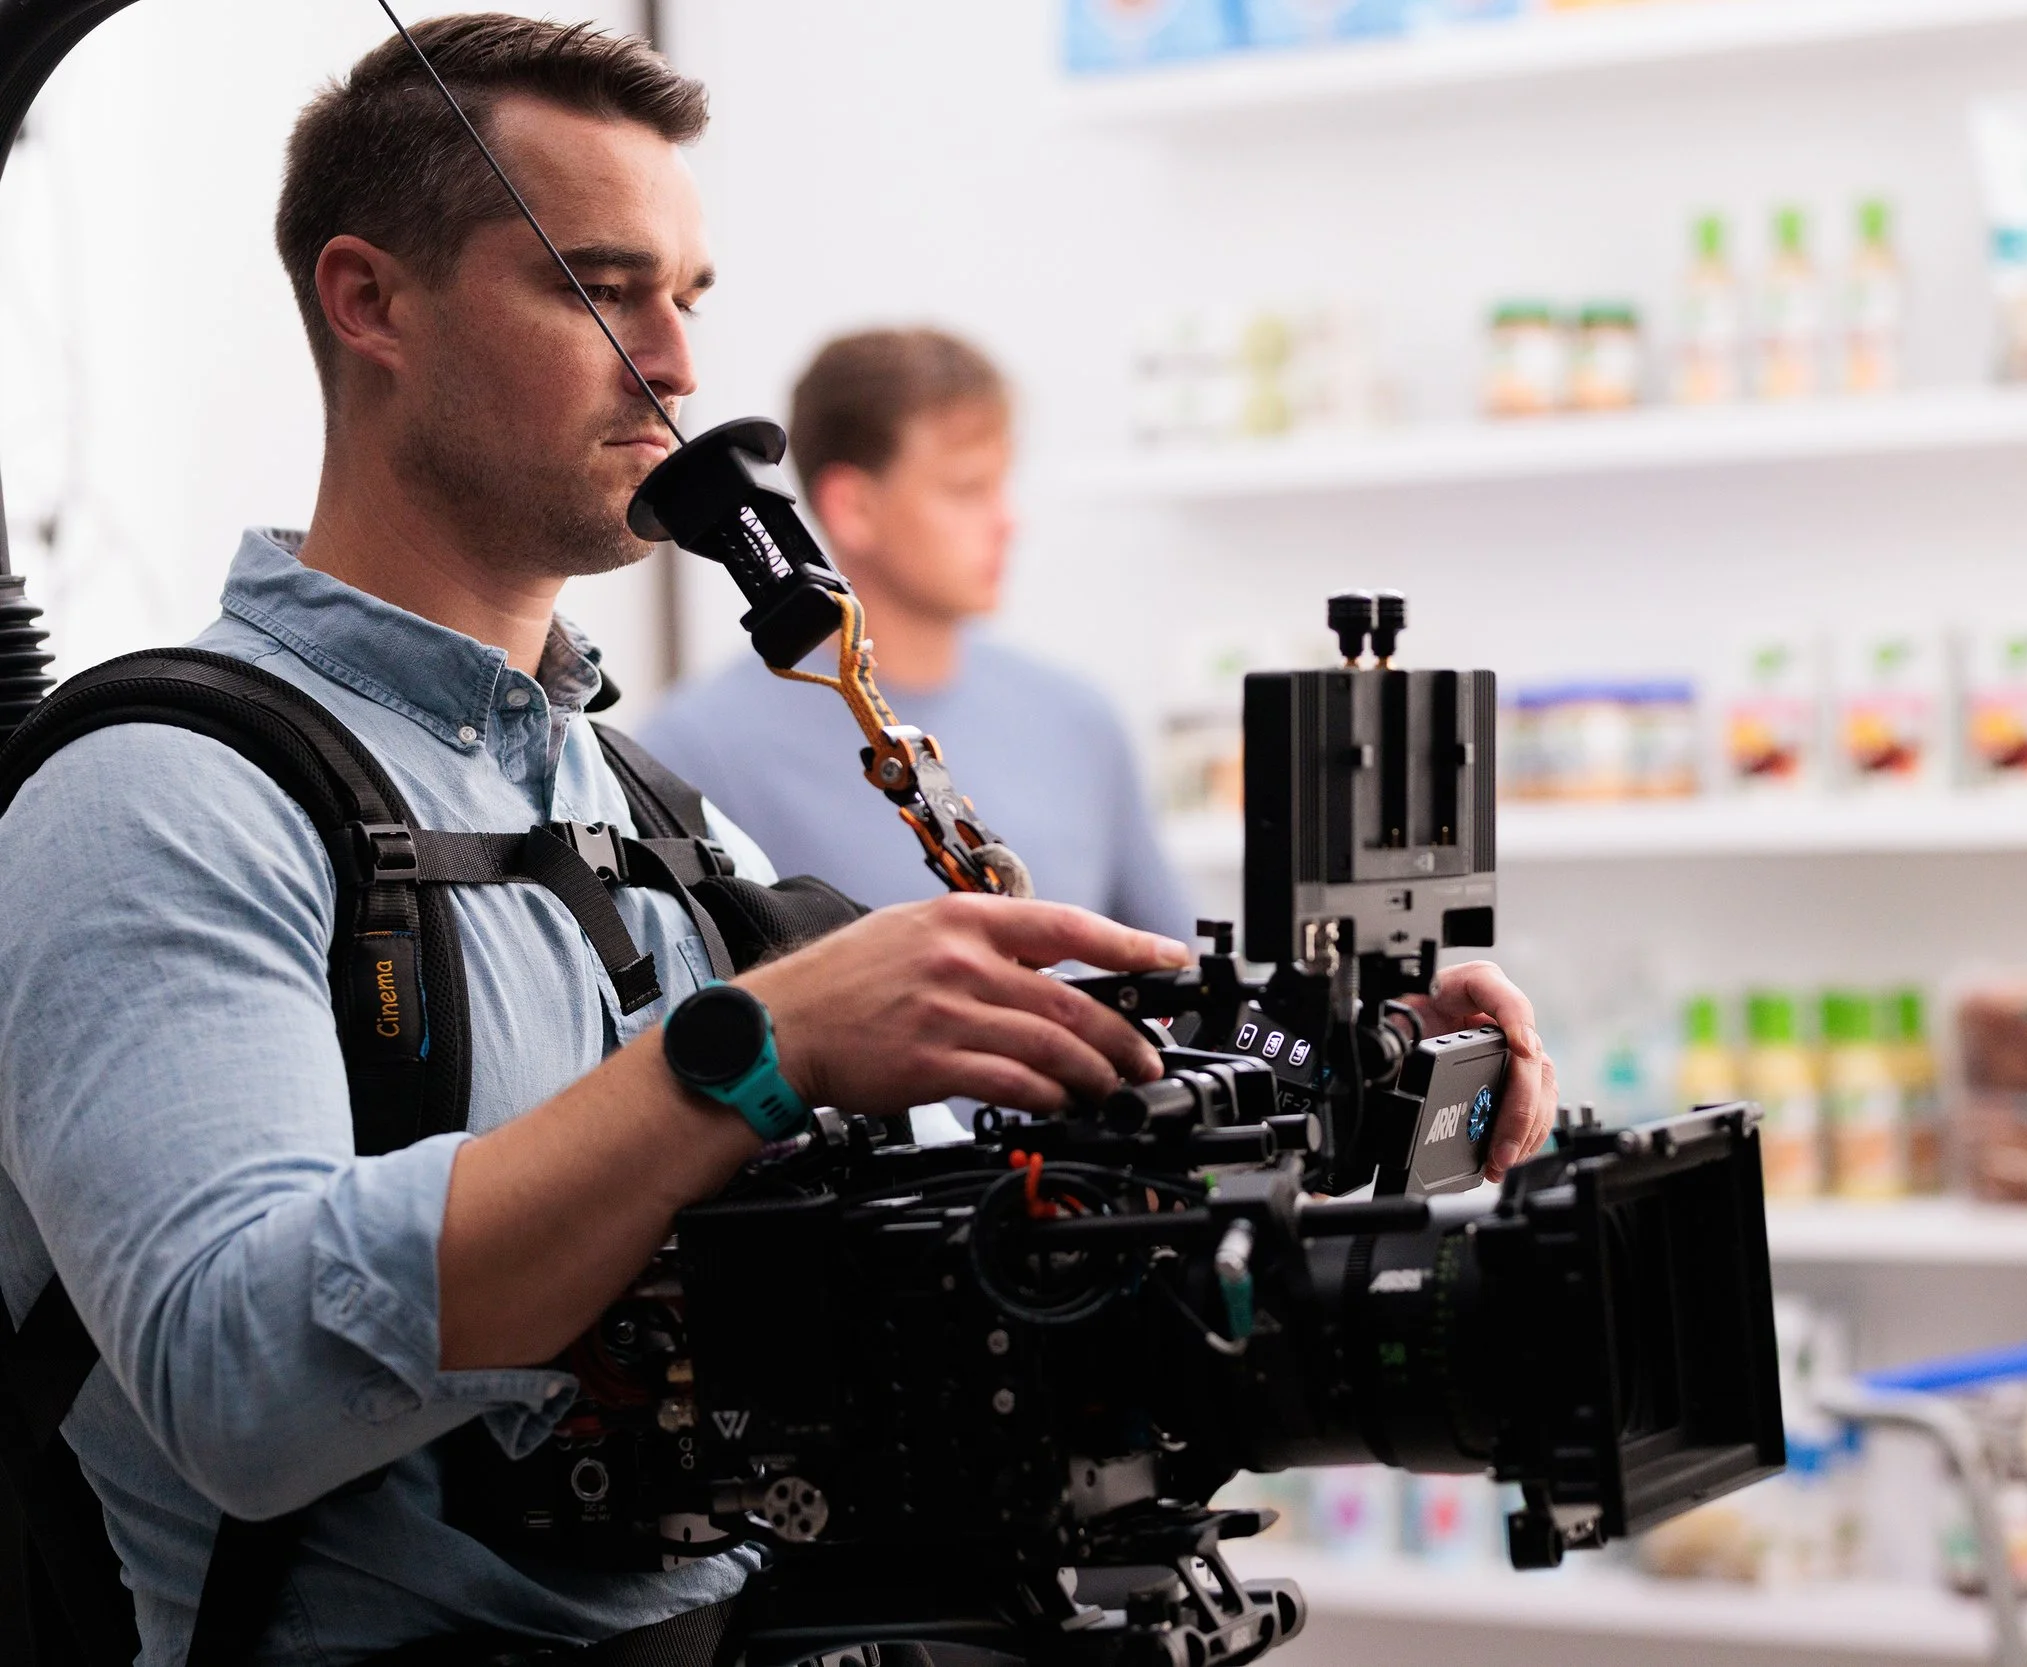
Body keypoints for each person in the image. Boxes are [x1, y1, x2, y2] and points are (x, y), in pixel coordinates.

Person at [0, 16, 1558, 1667]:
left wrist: (1319, 1064)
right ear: (370, 300)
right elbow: (236, 1380)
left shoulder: (639, 809)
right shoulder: (164, 794)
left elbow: (953, 1185)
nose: (674, 360)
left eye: (692, 299)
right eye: (601, 288)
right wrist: (749, 1052)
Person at [637, 329, 1195, 939]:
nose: (1009, 521)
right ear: (854, 508)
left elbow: (1176, 963)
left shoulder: (1081, 720)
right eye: (966, 490)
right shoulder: (691, 754)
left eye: (1002, 484)